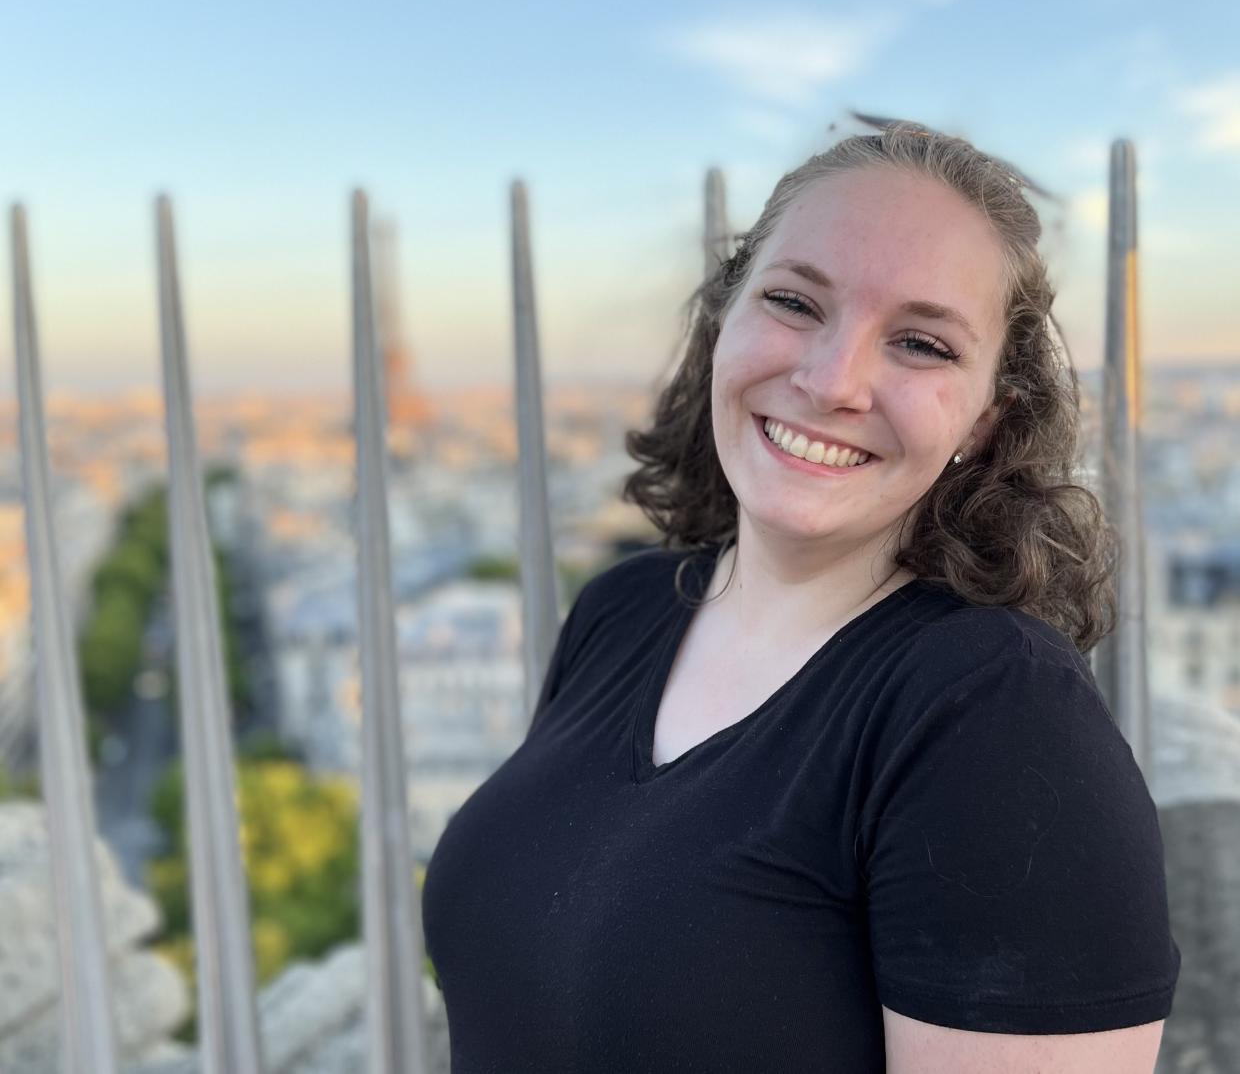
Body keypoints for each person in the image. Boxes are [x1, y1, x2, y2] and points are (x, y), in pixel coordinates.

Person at [420, 121, 1181, 1072]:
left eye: (920, 343)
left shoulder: (994, 718)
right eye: (793, 301)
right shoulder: (626, 612)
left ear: (984, 425)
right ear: (722, 324)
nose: (832, 381)